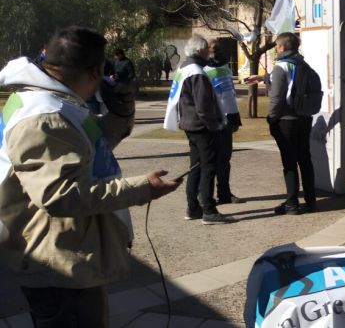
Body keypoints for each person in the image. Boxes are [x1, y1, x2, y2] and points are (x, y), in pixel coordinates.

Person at [0, 27, 183, 328]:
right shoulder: (45, 116)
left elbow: (84, 148)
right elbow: (61, 195)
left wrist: (122, 111)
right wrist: (143, 188)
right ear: (96, 71)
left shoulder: (48, 101)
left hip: (61, 253)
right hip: (59, 264)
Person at [163, 35, 234, 224]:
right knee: (208, 167)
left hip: (189, 124)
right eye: (206, 50)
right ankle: (208, 211)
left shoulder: (185, 67)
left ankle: (192, 207)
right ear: (200, 51)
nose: (209, 54)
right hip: (202, 127)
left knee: (195, 166)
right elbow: (203, 106)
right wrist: (214, 127)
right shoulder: (196, 72)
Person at [263, 32, 317, 215]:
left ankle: (292, 203)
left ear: (281, 47)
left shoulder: (281, 67)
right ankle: (311, 200)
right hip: (305, 119)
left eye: (277, 46)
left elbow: (276, 97)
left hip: (286, 121)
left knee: (289, 162)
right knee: (305, 159)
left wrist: (272, 118)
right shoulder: (304, 65)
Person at [204, 38, 244, 204]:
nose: (217, 53)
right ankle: (207, 196)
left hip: (228, 117)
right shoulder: (203, 69)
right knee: (210, 160)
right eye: (213, 49)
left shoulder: (226, 68)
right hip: (212, 118)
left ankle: (225, 193)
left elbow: (230, 94)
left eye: (218, 49)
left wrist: (235, 117)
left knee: (225, 159)